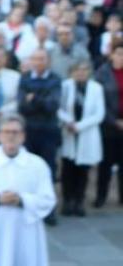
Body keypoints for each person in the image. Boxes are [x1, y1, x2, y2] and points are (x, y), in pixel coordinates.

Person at [0, 114, 55, 266]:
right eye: (6, 132)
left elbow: (47, 199)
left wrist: (22, 200)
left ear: (23, 136)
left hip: (25, 232)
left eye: (15, 132)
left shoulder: (37, 164)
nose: (11, 136)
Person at [17, 48, 61, 223]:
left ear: (48, 61)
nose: (38, 62)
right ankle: (29, 205)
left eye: (41, 59)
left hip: (48, 131)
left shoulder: (55, 79)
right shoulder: (25, 78)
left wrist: (33, 99)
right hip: (29, 131)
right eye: (34, 59)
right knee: (28, 168)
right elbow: (22, 106)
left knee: (48, 169)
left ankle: (48, 209)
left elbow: (53, 106)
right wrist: (41, 100)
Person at [57, 60, 105, 216]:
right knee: (67, 170)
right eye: (77, 70)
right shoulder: (66, 86)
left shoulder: (96, 88)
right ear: (72, 72)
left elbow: (99, 114)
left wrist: (79, 126)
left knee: (83, 171)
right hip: (69, 132)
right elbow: (59, 108)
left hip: (86, 133)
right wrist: (69, 122)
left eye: (84, 70)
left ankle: (79, 201)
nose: (81, 73)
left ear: (89, 72)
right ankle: (67, 201)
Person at [94, 40, 123, 207]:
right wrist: (114, 121)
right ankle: (101, 196)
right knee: (105, 164)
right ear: (111, 54)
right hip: (108, 126)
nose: (121, 57)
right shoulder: (102, 73)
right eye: (119, 53)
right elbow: (98, 102)